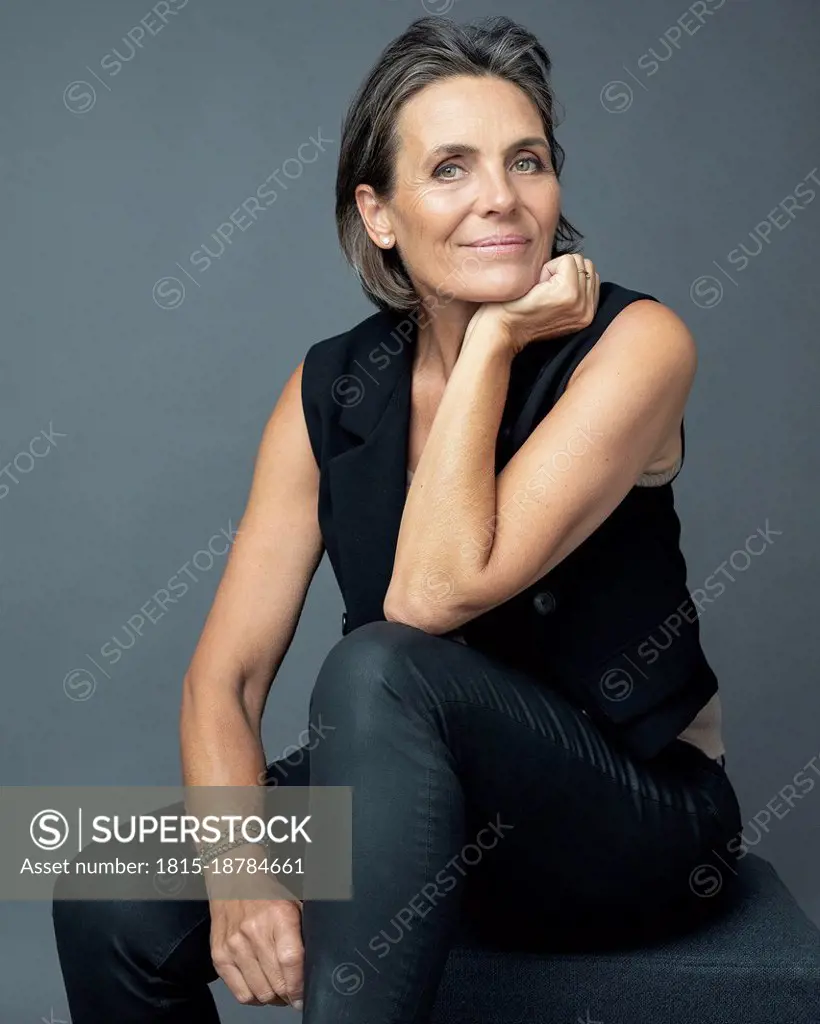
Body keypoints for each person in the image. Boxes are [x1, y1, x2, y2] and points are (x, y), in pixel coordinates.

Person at [52, 14, 744, 1023]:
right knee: (103, 883)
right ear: (378, 214)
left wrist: (494, 343)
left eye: (527, 162)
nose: (500, 197)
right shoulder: (328, 389)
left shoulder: (635, 345)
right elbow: (225, 677)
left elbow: (428, 596)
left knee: (379, 662)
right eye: (450, 169)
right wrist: (240, 869)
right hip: (407, 810)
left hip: (628, 818)